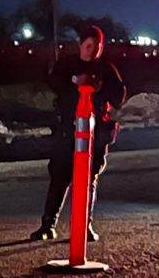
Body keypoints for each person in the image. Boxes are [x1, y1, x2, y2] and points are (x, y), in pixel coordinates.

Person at [30, 25, 127, 242]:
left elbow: (119, 95)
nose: (92, 52)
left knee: (88, 179)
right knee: (59, 178)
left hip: (96, 132)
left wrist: (100, 86)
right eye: (88, 46)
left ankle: (84, 227)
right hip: (67, 130)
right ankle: (48, 225)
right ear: (81, 45)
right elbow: (53, 81)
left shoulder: (106, 69)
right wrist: (76, 81)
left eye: (97, 47)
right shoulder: (67, 65)